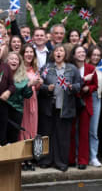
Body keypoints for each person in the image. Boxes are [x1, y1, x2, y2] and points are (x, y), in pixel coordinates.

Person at [38, 44, 81, 172]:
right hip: (49, 108)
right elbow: (40, 85)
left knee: (63, 137)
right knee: (47, 134)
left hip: (65, 108)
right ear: (53, 54)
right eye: (56, 50)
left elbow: (79, 84)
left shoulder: (72, 69)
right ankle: (46, 160)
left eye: (61, 51)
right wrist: (47, 88)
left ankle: (61, 162)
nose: (58, 53)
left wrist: (72, 87)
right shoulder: (47, 68)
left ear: (65, 54)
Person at [69, 45, 98, 170]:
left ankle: (83, 160)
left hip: (85, 103)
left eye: (83, 52)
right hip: (72, 103)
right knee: (71, 131)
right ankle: (71, 159)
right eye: (78, 52)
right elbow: (69, 84)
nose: (81, 54)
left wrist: (88, 88)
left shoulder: (91, 68)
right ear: (74, 55)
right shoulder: (70, 68)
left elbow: (95, 85)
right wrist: (83, 80)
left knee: (84, 133)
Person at [5, 52, 33, 143]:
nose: (14, 61)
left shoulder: (24, 78)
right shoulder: (1, 74)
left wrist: (29, 85)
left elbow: (27, 95)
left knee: (13, 138)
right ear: (7, 61)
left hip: (16, 111)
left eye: (16, 59)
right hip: (2, 110)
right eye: (11, 59)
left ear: (19, 63)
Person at [87, 46, 102, 167]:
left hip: (97, 99)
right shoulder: (85, 67)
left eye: (98, 55)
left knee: (94, 130)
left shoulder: (101, 68)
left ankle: (93, 156)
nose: (96, 57)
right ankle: (80, 155)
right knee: (81, 129)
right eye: (94, 54)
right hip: (85, 98)